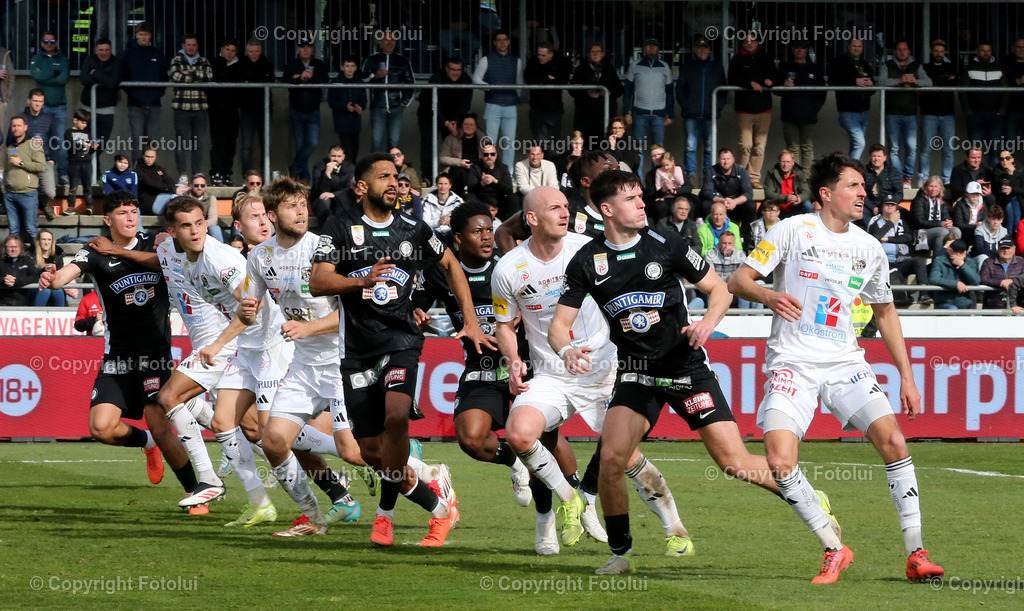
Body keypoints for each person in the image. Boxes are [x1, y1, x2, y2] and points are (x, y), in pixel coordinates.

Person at [551, 171, 823, 574]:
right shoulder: (587, 261)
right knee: (611, 459)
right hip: (637, 373)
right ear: (607, 210)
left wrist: (707, 323)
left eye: (641, 197)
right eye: (631, 199)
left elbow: (721, 289)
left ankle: (805, 493)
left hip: (685, 367)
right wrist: (567, 349)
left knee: (734, 462)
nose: (642, 204)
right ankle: (620, 554)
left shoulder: (667, 244)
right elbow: (559, 325)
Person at [728, 152, 945, 583]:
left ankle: (916, 552)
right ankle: (834, 547)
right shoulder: (791, 229)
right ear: (826, 194)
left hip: (846, 363)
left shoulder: (868, 248)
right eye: (853, 186)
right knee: (779, 460)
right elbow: (739, 280)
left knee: (895, 443)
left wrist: (906, 375)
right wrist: (770, 297)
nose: (863, 193)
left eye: (863, 186)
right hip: (793, 363)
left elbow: (885, 314)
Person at [496, 185, 688, 560]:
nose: (565, 213)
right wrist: (513, 359)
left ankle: (674, 529)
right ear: (532, 219)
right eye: (554, 208)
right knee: (518, 435)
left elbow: (619, 305)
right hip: (552, 374)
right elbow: (505, 324)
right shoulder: (508, 269)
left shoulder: (588, 251)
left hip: (605, 371)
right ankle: (571, 501)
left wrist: (598, 346)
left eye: (566, 207)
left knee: (626, 458)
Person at [311, 153, 490, 547]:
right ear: (362, 187)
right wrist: (359, 283)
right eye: (383, 177)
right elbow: (318, 283)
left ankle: (387, 514)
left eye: (397, 176)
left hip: (402, 340)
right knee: (372, 453)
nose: (393, 183)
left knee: (396, 415)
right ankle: (438, 504)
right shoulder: (339, 227)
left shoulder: (413, 229)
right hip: (356, 350)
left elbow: (450, 264)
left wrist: (470, 320)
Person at [412, 201, 579, 553]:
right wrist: (418, 314)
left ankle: (547, 519)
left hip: (525, 366)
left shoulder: (506, 266)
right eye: (477, 231)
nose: (487, 237)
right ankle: (513, 460)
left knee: (549, 447)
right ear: (458, 239)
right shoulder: (442, 273)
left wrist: (535, 207)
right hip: (480, 369)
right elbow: (418, 305)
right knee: (471, 438)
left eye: (489, 229)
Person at [227, 181, 370, 534]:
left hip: (342, 363)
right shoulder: (260, 257)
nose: (302, 211)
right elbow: (250, 304)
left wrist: (310, 327)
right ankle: (315, 518)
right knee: (273, 440)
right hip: (303, 366)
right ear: (274, 216)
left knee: (352, 453)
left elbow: (355, 312)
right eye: (292, 207)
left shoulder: (324, 248)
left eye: (304, 204)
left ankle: (425, 473)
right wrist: (247, 307)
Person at [38, 191, 199, 500]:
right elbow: (62, 279)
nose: (130, 217)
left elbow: (176, 261)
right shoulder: (95, 250)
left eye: (133, 212)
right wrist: (50, 277)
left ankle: (196, 490)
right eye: (123, 212)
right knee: (101, 428)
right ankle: (147, 443)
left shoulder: (157, 244)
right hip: (118, 358)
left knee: (161, 423)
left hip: (155, 356)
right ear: (107, 219)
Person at [879, 40, 931, 188]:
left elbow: (929, 82)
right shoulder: (887, 65)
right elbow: (881, 82)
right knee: (894, 149)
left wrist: (916, 81)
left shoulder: (916, 66)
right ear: (895, 51)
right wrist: (899, 80)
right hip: (892, 113)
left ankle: (907, 178)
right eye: (899, 49)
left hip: (911, 114)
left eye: (905, 49)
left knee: (912, 147)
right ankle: (899, 179)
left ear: (909, 51)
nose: (902, 52)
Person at [472, 30, 524, 174]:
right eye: (499, 40)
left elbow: (519, 83)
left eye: (505, 39)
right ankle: (488, 171)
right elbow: (476, 79)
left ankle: (508, 173)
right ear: (494, 42)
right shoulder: (486, 59)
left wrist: (515, 96)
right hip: (493, 104)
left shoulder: (516, 61)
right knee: (490, 142)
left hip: (510, 106)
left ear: (508, 41)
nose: (502, 43)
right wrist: (490, 88)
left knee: (509, 142)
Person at [728, 33, 776, 187]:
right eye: (746, 41)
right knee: (745, 145)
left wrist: (771, 81)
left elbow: (775, 75)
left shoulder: (766, 58)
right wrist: (750, 83)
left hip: (764, 109)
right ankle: (740, 177)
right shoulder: (737, 59)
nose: (749, 44)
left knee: (759, 147)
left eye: (752, 41)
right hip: (745, 110)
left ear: (757, 43)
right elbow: (732, 79)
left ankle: (754, 178)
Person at [868, 194, 931, 307]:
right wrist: (890, 223)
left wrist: (887, 239)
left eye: (892, 204)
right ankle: (900, 298)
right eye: (887, 204)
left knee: (919, 261)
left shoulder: (901, 221)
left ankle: (924, 294)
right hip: (886, 263)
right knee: (891, 271)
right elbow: (875, 236)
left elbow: (909, 238)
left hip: (903, 260)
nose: (890, 206)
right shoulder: (875, 220)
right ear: (882, 206)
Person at [676, 36, 726, 179]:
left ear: (709, 49)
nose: (702, 50)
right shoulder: (688, 66)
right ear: (695, 49)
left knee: (709, 147)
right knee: (690, 147)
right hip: (691, 115)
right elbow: (680, 90)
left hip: (710, 115)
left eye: (705, 47)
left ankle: (708, 175)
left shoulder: (717, 66)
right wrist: (687, 106)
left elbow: (723, 90)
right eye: (699, 47)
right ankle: (690, 175)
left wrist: (718, 107)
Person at [623, 37, 674, 174]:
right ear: (644, 48)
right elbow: (627, 90)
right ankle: (638, 179)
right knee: (638, 148)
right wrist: (627, 111)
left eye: (654, 46)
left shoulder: (664, 66)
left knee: (659, 150)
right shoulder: (635, 65)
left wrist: (670, 114)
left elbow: (670, 92)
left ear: (658, 49)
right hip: (639, 114)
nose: (651, 48)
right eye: (649, 46)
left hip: (659, 114)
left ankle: (657, 179)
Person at [417, 57, 473, 178]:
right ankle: (428, 176)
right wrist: (445, 122)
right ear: (446, 69)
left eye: (458, 70)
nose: (455, 72)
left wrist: (457, 122)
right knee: (429, 143)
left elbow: (465, 105)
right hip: (429, 113)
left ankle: (450, 176)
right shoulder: (437, 78)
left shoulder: (466, 80)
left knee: (452, 143)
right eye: (452, 69)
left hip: (452, 116)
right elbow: (432, 104)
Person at [775, 38, 826, 170]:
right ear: (792, 50)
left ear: (806, 50)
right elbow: (776, 90)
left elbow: (822, 92)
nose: (799, 50)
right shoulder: (785, 67)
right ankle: (795, 178)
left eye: (802, 48)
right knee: (793, 149)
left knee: (807, 148)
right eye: (797, 48)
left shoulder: (814, 69)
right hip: (789, 114)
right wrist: (783, 85)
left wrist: (814, 108)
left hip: (809, 115)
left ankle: (807, 180)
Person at [168, 33, 213, 183]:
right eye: (188, 45)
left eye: (194, 45)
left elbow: (208, 77)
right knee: (181, 142)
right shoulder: (176, 60)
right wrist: (196, 76)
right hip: (181, 107)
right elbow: (175, 77)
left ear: (197, 46)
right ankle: (182, 174)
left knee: (198, 143)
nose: (191, 47)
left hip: (200, 108)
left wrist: (189, 73)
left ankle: (196, 173)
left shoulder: (204, 61)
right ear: (183, 46)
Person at [120, 23, 167, 166]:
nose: (144, 37)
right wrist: (134, 94)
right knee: (137, 139)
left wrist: (157, 94)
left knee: (152, 141)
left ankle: (150, 171)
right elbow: (123, 76)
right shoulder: (128, 54)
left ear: (150, 36)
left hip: (154, 104)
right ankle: (137, 170)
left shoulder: (157, 54)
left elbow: (163, 78)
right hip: (135, 104)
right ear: (136, 35)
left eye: (146, 34)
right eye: (141, 34)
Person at [362, 31, 414, 153]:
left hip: (396, 107)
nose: (389, 42)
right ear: (381, 41)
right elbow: (362, 79)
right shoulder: (372, 59)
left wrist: (403, 103)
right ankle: (376, 170)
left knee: (394, 142)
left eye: (392, 40)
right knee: (377, 141)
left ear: (396, 42)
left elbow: (410, 84)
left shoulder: (402, 61)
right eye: (386, 39)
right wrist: (375, 76)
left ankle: (391, 170)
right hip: (378, 107)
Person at [284, 42, 328, 182]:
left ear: (312, 49)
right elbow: (285, 80)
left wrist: (310, 78)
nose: (305, 49)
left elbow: (324, 80)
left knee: (313, 143)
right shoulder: (292, 64)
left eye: (308, 47)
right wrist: (299, 79)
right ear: (298, 49)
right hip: (296, 110)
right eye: (302, 47)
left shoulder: (319, 64)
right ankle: (304, 177)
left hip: (313, 111)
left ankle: (294, 168)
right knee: (300, 145)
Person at [30, 31, 69, 184]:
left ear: (57, 43)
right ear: (41, 44)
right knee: (40, 141)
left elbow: (63, 79)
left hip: (59, 108)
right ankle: (41, 175)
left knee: (59, 143)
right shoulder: (36, 59)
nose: (49, 44)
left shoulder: (63, 59)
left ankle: (62, 175)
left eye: (52, 41)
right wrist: (53, 74)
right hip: (42, 108)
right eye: (46, 42)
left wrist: (46, 76)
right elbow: (36, 76)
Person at [828, 38, 875, 161]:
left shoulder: (865, 64)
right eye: (854, 46)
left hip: (864, 110)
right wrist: (854, 81)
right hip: (847, 110)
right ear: (848, 46)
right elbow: (833, 82)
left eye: (859, 46)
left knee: (856, 145)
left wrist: (871, 84)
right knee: (860, 143)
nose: (857, 48)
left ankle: (848, 171)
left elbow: (873, 89)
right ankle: (853, 171)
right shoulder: (839, 62)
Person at [9, 89, 58, 208]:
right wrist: (29, 141)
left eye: (40, 101)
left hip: (44, 161)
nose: (37, 104)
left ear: (43, 103)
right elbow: (9, 141)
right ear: (29, 101)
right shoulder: (20, 118)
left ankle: (40, 205)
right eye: (35, 101)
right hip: (24, 161)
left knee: (50, 193)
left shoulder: (49, 118)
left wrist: (53, 159)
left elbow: (55, 141)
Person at [920, 39, 958, 185]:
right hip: (929, 113)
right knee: (926, 148)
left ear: (945, 53)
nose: (938, 54)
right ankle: (924, 178)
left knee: (948, 149)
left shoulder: (951, 66)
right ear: (931, 51)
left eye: (941, 52)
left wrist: (937, 80)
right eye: (936, 51)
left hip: (948, 114)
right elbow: (927, 83)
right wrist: (943, 80)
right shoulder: (924, 67)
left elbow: (955, 82)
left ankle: (947, 179)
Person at [569, 42, 623, 146]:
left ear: (602, 54)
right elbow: (572, 89)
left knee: (604, 144)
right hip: (586, 115)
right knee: (587, 146)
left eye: (598, 51)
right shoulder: (581, 69)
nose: (595, 54)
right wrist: (586, 92)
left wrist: (608, 93)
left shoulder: (609, 69)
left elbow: (619, 89)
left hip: (605, 114)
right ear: (588, 54)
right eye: (592, 51)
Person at [962, 42, 1005, 169]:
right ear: (977, 52)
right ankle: (976, 179)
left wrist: (1001, 111)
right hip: (975, 115)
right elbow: (962, 91)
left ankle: (994, 179)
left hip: (995, 115)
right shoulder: (969, 68)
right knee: (975, 151)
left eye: (988, 50)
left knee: (995, 150)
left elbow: (1006, 91)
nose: (986, 53)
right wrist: (968, 111)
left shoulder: (998, 68)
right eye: (982, 50)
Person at [79, 38, 120, 170]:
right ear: (96, 50)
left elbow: (113, 83)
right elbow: (84, 79)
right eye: (101, 50)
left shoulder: (116, 62)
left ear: (111, 50)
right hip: (87, 110)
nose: (104, 53)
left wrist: (96, 73)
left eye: (107, 50)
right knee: (86, 144)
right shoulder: (89, 60)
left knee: (101, 144)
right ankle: (92, 173)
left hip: (106, 111)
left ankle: (94, 170)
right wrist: (104, 78)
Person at [209, 38, 243, 187]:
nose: (229, 53)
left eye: (233, 50)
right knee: (218, 144)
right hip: (216, 111)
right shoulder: (214, 63)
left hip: (233, 111)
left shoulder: (239, 66)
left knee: (231, 144)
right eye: (227, 49)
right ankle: (216, 173)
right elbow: (217, 79)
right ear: (222, 49)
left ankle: (227, 173)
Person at [238, 39, 275, 173]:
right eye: (251, 52)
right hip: (247, 111)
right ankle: (246, 176)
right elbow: (240, 83)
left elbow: (269, 80)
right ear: (247, 52)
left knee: (266, 146)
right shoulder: (241, 64)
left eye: (257, 51)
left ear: (260, 51)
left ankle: (264, 174)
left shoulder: (266, 63)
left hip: (264, 111)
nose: (254, 54)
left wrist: (251, 80)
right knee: (246, 146)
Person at [523, 42, 570, 143]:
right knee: (540, 141)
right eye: (539, 55)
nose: (540, 57)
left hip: (554, 109)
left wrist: (541, 79)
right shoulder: (533, 62)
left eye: (543, 55)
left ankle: (550, 159)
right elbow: (528, 79)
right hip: (537, 109)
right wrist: (548, 78)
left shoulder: (560, 63)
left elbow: (563, 81)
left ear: (551, 54)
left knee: (552, 143)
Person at [699, 149, 754, 224]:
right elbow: (706, 192)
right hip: (718, 203)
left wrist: (735, 202)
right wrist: (722, 201)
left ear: (733, 159)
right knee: (705, 205)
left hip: (736, 205)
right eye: (723, 159)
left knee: (751, 205)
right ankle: (711, 231)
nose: (726, 162)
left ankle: (745, 233)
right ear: (718, 160)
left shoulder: (741, 171)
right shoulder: (711, 171)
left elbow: (748, 193)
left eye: (728, 159)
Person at [327, 55, 366, 162]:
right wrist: (345, 107)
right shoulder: (335, 82)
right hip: (341, 120)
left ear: (356, 68)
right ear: (342, 67)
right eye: (347, 66)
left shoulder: (359, 82)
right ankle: (348, 171)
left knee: (355, 147)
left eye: (352, 66)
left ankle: (351, 170)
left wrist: (360, 107)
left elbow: (364, 101)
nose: (349, 68)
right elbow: (331, 101)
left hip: (355, 120)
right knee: (346, 147)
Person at [438, 113, 487, 192]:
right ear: (461, 126)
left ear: (476, 127)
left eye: (471, 125)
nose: (469, 127)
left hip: (477, 169)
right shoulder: (451, 138)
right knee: (459, 173)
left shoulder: (482, 140)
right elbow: (442, 158)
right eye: (466, 124)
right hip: (459, 170)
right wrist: (459, 162)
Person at [909, 176, 958, 254]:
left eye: (936, 186)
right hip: (920, 233)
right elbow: (919, 221)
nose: (933, 189)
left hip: (937, 229)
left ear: (940, 188)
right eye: (931, 186)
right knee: (942, 231)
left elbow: (946, 216)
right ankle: (937, 260)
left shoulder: (940, 201)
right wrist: (940, 224)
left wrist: (948, 222)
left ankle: (953, 257)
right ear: (925, 187)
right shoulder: (919, 200)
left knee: (956, 231)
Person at [65, 109, 100, 213]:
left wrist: (93, 148)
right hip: (74, 163)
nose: (84, 125)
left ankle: (90, 206)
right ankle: (71, 206)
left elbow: (89, 151)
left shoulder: (87, 133)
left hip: (87, 163)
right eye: (82, 122)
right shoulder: (69, 132)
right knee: (73, 186)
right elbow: (69, 146)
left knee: (87, 186)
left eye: (86, 123)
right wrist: (82, 145)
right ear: (75, 120)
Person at [466, 143, 514, 217]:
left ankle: (512, 224)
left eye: (492, 154)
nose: (489, 157)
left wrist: (495, 181)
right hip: (481, 198)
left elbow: (509, 189)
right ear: (481, 156)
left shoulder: (503, 168)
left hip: (498, 199)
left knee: (513, 198)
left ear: (496, 155)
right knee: (470, 196)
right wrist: (482, 183)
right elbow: (470, 189)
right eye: (486, 154)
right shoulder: (475, 168)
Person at [930, 239, 979, 309]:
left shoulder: (970, 262)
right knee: (952, 309)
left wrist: (962, 265)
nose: (958, 255)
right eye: (955, 251)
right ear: (949, 250)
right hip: (944, 302)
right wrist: (956, 284)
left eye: (961, 252)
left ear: (965, 253)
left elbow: (976, 280)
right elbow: (934, 279)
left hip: (965, 304)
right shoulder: (940, 260)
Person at [763, 150, 812, 218]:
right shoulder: (772, 173)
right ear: (779, 162)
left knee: (807, 205)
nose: (785, 165)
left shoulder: (800, 174)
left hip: (795, 207)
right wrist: (785, 198)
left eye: (788, 162)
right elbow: (768, 193)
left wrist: (799, 198)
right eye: (783, 161)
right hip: (778, 208)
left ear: (793, 162)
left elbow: (806, 192)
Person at [863, 145, 903, 226]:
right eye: (874, 156)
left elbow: (899, 193)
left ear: (884, 158)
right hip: (870, 206)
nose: (876, 159)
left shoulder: (893, 172)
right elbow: (862, 193)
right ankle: (872, 234)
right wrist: (872, 207)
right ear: (870, 157)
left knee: (905, 215)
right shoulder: (864, 171)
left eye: (879, 156)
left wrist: (890, 205)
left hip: (889, 203)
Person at [136, 149, 183, 216]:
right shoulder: (139, 171)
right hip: (149, 203)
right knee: (174, 197)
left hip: (163, 196)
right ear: (143, 156)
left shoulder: (158, 169)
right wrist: (172, 189)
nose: (149, 160)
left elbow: (170, 181)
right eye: (147, 156)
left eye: (152, 157)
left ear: (156, 156)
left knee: (180, 186)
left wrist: (175, 188)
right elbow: (152, 185)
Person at [980, 238, 1024, 309]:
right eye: (1003, 248)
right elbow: (983, 279)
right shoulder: (988, 262)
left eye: (1008, 248)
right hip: (993, 305)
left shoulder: (1021, 262)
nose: (1006, 250)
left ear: (1014, 250)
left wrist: (1012, 281)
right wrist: (1001, 282)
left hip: (1017, 306)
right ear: (998, 250)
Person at [651, 151, 691, 223]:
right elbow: (658, 187)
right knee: (662, 207)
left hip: (677, 195)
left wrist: (673, 172)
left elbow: (681, 182)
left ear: (672, 162)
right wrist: (665, 188)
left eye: (667, 165)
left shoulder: (678, 169)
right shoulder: (659, 171)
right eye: (663, 165)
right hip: (666, 196)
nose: (665, 167)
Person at [33, 230, 70, 306]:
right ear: (38, 241)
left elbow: (61, 275)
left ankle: (60, 314)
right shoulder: (31, 256)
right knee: (46, 290)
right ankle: (37, 314)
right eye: (43, 239)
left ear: (52, 242)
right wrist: (43, 270)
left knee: (57, 290)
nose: (46, 242)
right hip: (37, 287)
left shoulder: (58, 256)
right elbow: (31, 275)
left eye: (49, 239)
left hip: (54, 286)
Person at [0, 235, 39, 306]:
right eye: (10, 247)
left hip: (23, 302)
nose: (13, 249)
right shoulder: (1, 261)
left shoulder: (27, 260)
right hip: (2, 303)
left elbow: (35, 277)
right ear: (5, 248)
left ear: (20, 248)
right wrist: (4, 280)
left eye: (16, 246)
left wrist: (16, 281)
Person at [994, 151, 1024, 236]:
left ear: (1012, 159)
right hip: (1003, 200)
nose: (1004, 161)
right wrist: (1009, 175)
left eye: (1007, 158)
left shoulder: (1020, 169)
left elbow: (1021, 189)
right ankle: (1010, 235)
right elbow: (1001, 191)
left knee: (1015, 202)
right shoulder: (997, 172)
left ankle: (1016, 234)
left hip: (1019, 200)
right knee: (1010, 206)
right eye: (1001, 159)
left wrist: (1013, 189)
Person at [0, 44, 13, 142]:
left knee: (1, 138)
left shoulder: (4, 53)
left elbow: (11, 76)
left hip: (1, 101)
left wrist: (6, 98)